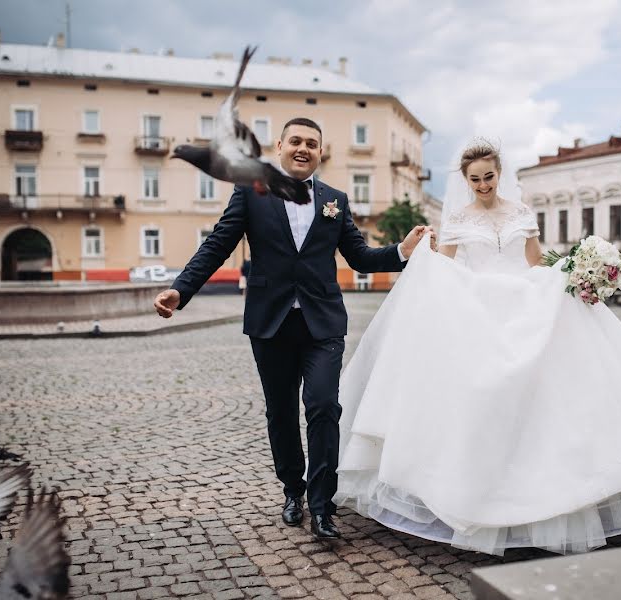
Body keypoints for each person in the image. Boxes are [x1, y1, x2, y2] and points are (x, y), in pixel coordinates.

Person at [333, 141, 621, 555]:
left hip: (527, 306)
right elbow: (445, 265)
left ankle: (554, 491)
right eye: (474, 179)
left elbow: (536, 262)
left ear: (499, 173)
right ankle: (476, 490)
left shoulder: (521, 213)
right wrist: (422, 253)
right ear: (465, 180)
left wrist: (574, 272)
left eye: (488, 177)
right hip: (477, 310)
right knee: (482, 397)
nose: (482, 185)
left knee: (548, 394)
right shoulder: (457, 218)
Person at [154, 117, 434, 540]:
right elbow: (218, 244)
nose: (304, 149)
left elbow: (358, 257)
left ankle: (323, 506)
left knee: (323, 406)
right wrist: (181, 290)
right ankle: (293, 490)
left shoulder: (335, 200)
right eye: (296, 141)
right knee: (281, 412)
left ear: (321, 152)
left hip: (322, 324)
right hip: (271, 322)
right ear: (280, 145)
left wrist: (400, 251)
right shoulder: (252, 192)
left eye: (313, 144)